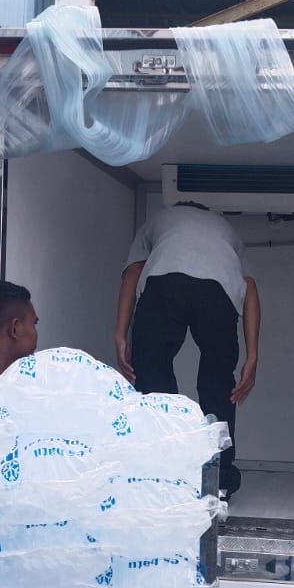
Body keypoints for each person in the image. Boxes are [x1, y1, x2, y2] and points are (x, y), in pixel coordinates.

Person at [114, 203, 260, 499]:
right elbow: (250, 289)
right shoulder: (226, 229)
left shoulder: (158, 219)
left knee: (153, 375)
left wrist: (120, 333)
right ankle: (219, 479)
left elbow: (133, 273)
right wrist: (252, 356)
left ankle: (163, 472)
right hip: (218, 291)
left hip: (164, 282)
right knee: (218, 383)